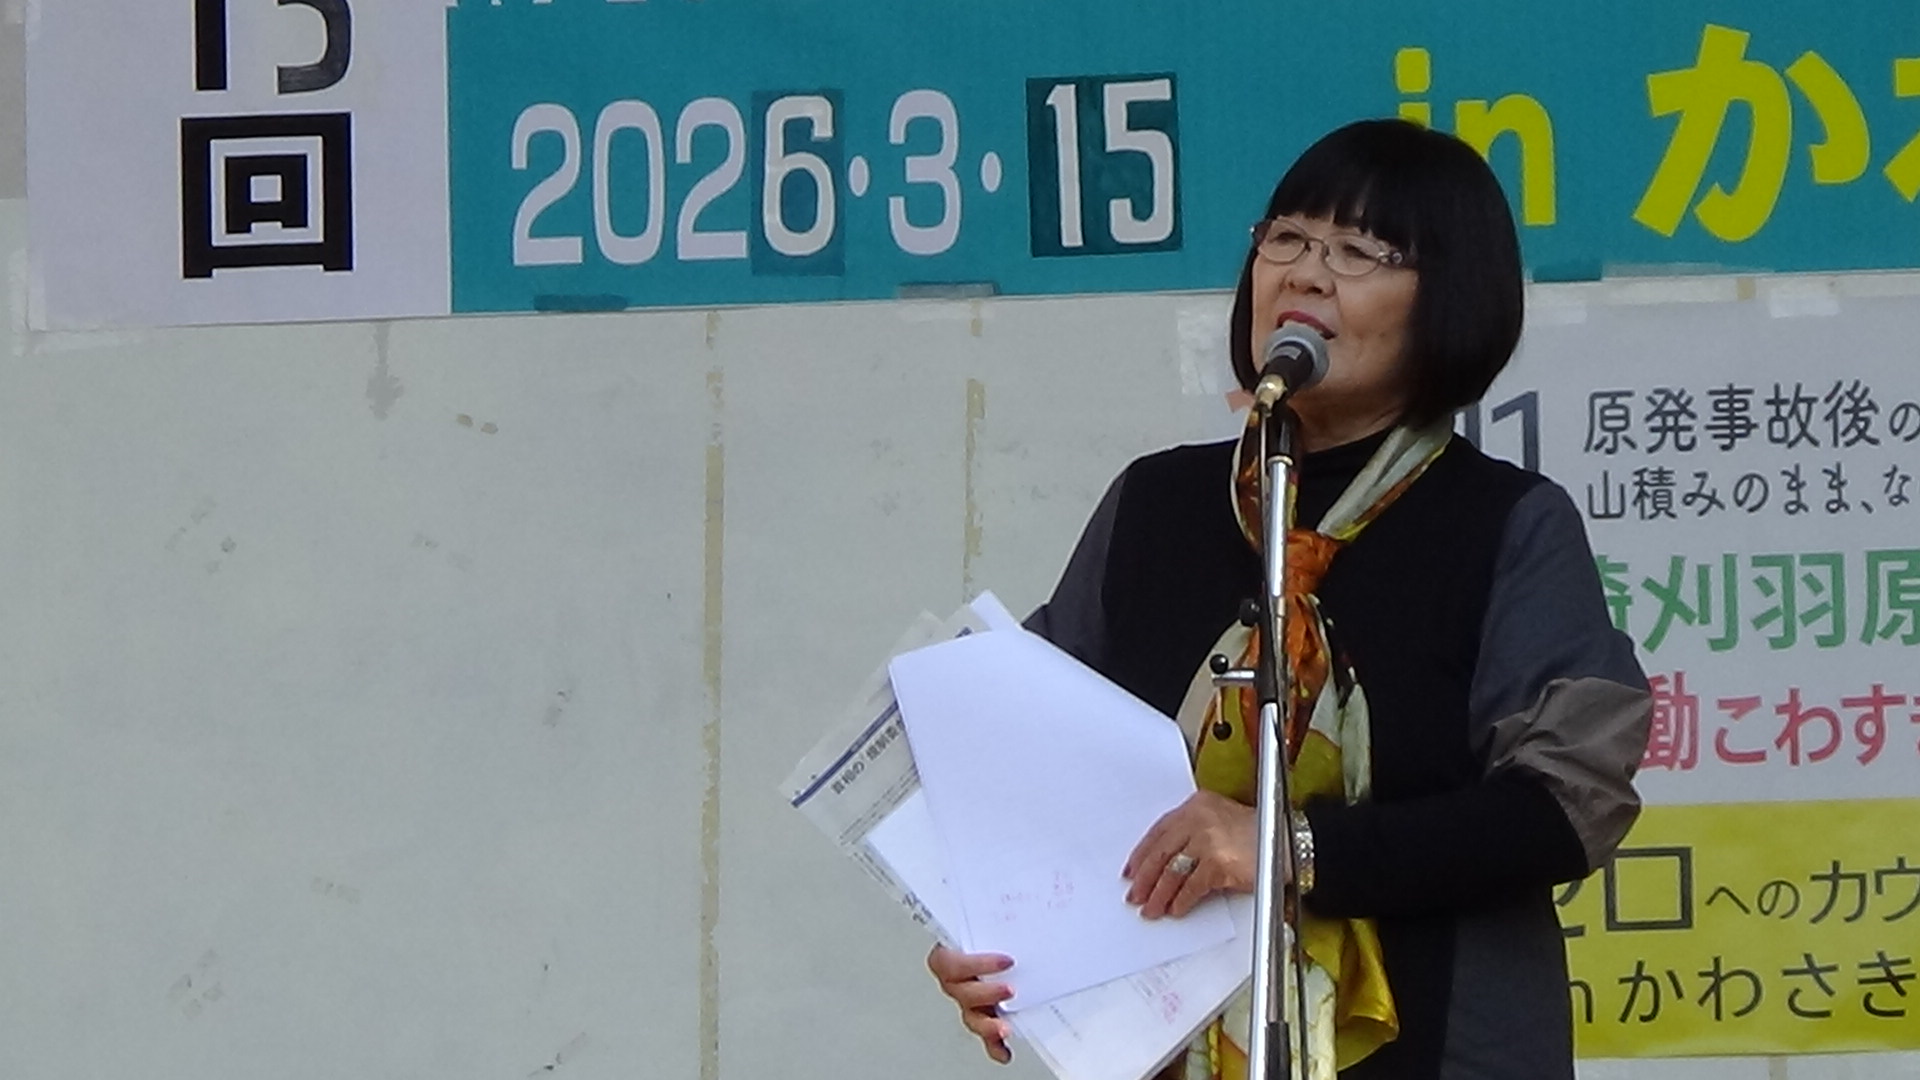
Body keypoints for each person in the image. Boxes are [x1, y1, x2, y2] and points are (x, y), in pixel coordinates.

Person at [924, 118, 1652, 1080]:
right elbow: (1032, 768)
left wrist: (1287, 848)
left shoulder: (1504, 522)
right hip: (1160, 1045)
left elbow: (1563, 806)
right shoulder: (1157, 505)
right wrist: (985, 932)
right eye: (1288, 239)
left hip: (1438, 1045)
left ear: (1450, 297)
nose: (1306, 275)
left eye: (1358, 252)